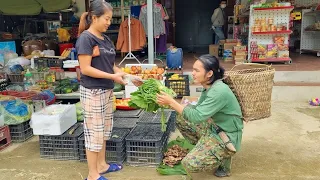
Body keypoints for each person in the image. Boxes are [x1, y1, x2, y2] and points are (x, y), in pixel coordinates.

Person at [76, 1, 141, 180]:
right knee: (93, 133)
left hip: (106, 91)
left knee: (104, 131)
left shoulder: (104, 39)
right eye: (106, 18)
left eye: (110, 19)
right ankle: (92, 174)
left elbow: (111, 66)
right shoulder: (86, 38)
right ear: (94, 17)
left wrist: (129, 77)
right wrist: (113, 77)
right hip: (92, 92)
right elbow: (85, 69)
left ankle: (102, 165)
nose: (109, 22)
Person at [157, 54, 243, 177]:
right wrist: (170, 103)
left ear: (209, 74)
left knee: (189, 163)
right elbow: (196, 110)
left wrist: (171, 102)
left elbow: (196, 117)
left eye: (197, 70)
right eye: (193, 69)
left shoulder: (219, 91)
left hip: (226, 135)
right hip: (213, 127)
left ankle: (224, 157)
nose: (193, 73)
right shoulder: (208, 87)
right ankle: (206, 148)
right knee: (180, 115)